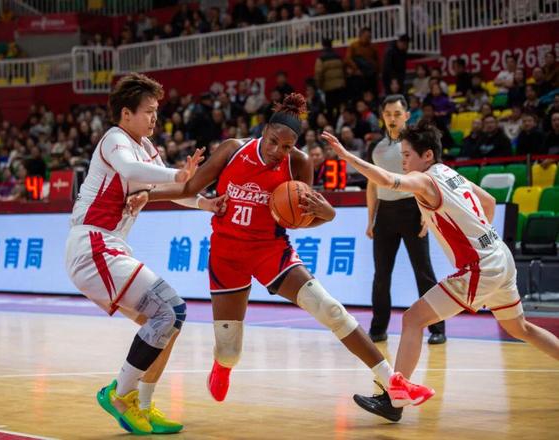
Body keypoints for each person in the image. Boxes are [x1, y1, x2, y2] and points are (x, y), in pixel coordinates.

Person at [147, 93, 434, 408]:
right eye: (273, 142)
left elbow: (300, 218)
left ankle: (393, 382)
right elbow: (189, 189)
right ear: (264, 131)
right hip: (226, 255)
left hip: (271, 251)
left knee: (331, 310)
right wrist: (143, 195)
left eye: (286, 146)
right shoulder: (232, 149)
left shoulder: (299, 162)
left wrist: (327, 214)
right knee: (229, 351)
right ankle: (222, 365)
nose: (276, 151)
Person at [322, 122, 559, 422]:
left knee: (413, 319)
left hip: (481, 267)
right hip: (500, 254)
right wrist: (478, 236)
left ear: (427, 155)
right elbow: (488, 202)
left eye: (407, 155)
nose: (403, 161)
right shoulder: (450, 172)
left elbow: (386, 179)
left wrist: (347, 157)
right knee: (520, 328)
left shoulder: (425, 180)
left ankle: (395, 401)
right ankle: (396, 397)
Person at [65, 73, 225, 435]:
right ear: (126, 114)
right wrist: (176, 172)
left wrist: (205, 203)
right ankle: (120, 394)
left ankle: (145, 405)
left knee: (168, 324)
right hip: (92, 244)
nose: (155, 117)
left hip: (110, 247)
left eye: (156, 111)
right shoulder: (114, 139)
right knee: (171, 309)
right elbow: (132, 170)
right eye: (149, 111)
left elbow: (170, 188)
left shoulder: (147, 147)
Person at [366, 95, 445, 344]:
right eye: (388, 114)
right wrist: (370, 219)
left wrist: (428, 215)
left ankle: (438, 328)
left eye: (397, 114)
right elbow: (372, 184)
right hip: (385, 214)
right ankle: (378, 329)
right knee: (381, 275)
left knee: (424, 272)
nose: (392, 118)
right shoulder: (375, 147)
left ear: (407, 115)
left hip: (414, 210)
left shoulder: (417, 143)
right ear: (382, 116)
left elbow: (430, 178)